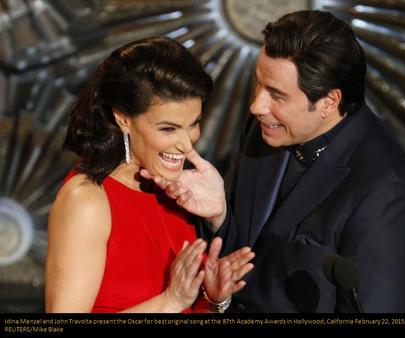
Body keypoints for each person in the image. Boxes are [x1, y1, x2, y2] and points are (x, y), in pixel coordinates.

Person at [144, 11, 405, 312]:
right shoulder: (267, 129)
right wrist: (219, 216)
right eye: (259, 84)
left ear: (328, 102)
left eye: (277, 95)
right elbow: (245, 257)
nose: (257, 106)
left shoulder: (387, 194)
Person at [45, 37, 255, 313]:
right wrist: (170, 301)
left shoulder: (172, 188)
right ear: (123, 118)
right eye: (168, 129)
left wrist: (213, 300)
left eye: (194, 124)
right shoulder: (87, 200)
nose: (186, 143)